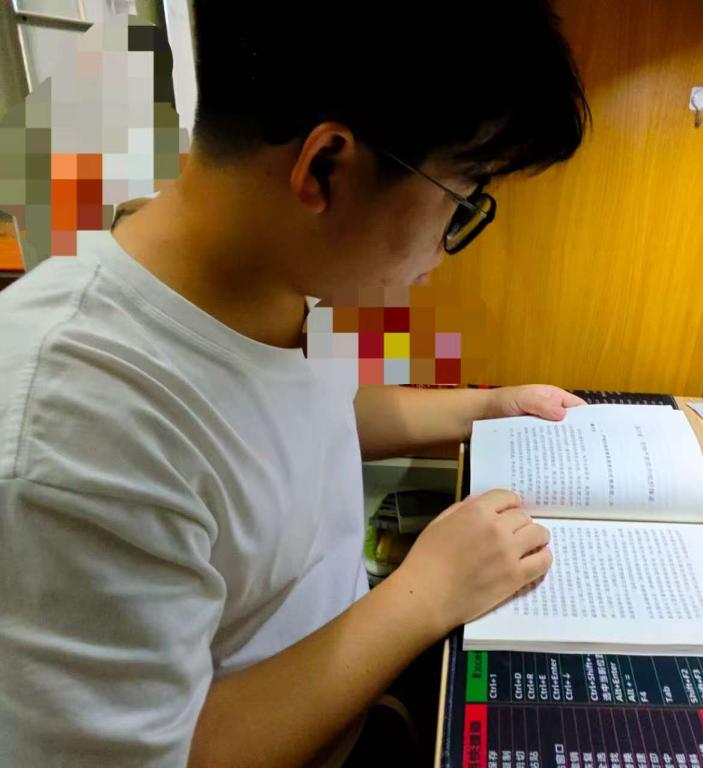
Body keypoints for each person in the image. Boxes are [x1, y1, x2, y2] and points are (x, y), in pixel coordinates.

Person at [0, 2, 591, 766]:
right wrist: (424, 594)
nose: (449, 247)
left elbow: (307, 413)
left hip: (359, 700)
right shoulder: (76, 429)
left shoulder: (268, 283)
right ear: (325, 168)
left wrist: (483, 408)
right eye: (461, 200)